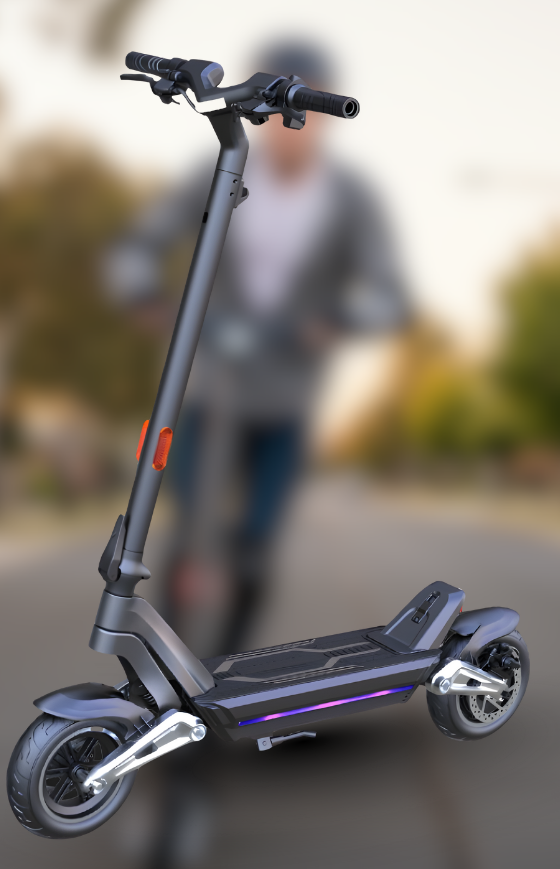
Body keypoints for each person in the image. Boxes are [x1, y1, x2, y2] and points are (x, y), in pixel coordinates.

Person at [108, 39, 409, 658]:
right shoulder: (221, 165)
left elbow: (390, 296)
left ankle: (225, 671)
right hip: (207, 386)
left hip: (283, 402)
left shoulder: (350, 200)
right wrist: (141, 293)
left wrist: (337, 319)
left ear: (317, 115)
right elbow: (138, 245)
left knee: (253, 544)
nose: (288, 128)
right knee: (188, 540)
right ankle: (166, 677)